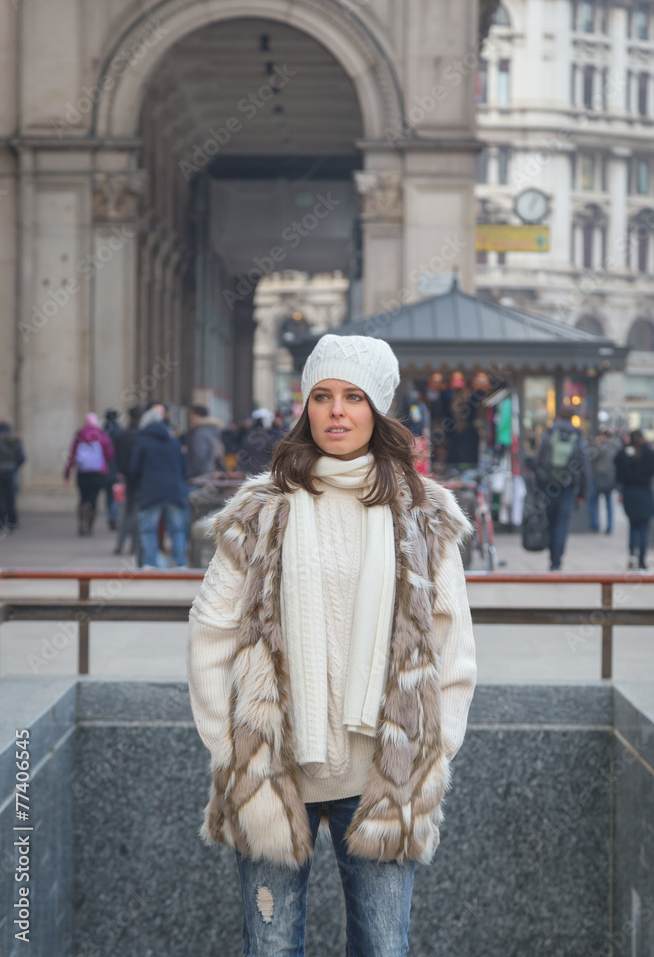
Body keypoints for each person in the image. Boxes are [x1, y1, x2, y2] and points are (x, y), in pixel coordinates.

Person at [187, 333, 476, 956]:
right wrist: (231, 748)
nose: (336, 411)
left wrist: (434, 752)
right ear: (305, 408)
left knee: (383, 947)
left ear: (379, 409)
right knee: (268, 948)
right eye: (322, 396)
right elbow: (211, 629)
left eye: (353, 396)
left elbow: (453, 646)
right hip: (273, 773)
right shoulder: (261, 509)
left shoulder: (424, 515)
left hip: (381, 775)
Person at [128, 405, 189, 567]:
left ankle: (150, 563)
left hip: (151, 491)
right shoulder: (174, 440)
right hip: (174, 491)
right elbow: (184, 467)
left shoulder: (142, 440)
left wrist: (138, 485)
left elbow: (133, 468)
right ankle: (179, 564)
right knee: (177, 529)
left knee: (148, 530)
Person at [536, 405, 590, 571]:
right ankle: (556, 561)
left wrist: (537, 487)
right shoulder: (578, 435)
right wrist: (583, 492)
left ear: (558, 416)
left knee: (550, 521)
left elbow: (538, 461)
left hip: (547, 486)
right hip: (567, 488)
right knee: (561, 524)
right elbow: (585, 467)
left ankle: (551, 554)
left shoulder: (550, 433)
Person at [614, 430, 654, 570]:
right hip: (644, 494)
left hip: (630, 494)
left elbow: (617, 469)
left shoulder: (625, 454)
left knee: (633, 527)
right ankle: (642, 560)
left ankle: (631, 554)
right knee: (644, 529)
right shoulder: (648, 453)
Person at [63, 414, 115, 535]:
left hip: (83, 473)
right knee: (93, 500)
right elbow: (110, 454)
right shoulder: (102, 436)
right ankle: (90, 527)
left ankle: (82, 523)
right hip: (98, 473)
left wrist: (67, 472)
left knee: (83, 498)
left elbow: (72, 454)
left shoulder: (79, 435)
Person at [112, 405, 143, 555]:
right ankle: (134, 546)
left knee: (127, 512)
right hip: (139, 480)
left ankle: (120, 543)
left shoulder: (121, 435)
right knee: (136, 513)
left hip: (126, 478)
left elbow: (116, 457)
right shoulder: (141, 435)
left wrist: (121, 472)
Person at [588, 429, 622, 534]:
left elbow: (591, 456)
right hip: (610, 478)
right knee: (609, 504)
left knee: (592, 502)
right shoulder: (616, 446)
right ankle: (609, 527)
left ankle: (595, 525)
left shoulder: (602, 446)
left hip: (599, 477)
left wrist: (596, 444)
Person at [184, 405, 224, 482]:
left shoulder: (200, 432)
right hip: (211, 471)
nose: (190, 417)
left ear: (197, 415)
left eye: (192, 414)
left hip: (201, 474)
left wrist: (191, 473)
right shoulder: (212, 430)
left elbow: (199, 455)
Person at [0, 422, 26, 532]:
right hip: (11, 471)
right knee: (11, 496)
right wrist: (15, 466)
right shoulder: (15, 441)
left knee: (1, 497)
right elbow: (22, 457)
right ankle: (12, 521)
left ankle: (2, 521)